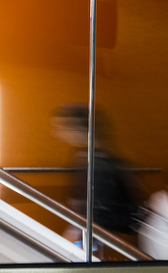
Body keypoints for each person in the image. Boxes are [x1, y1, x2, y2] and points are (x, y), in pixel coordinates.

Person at [50, 104, 144, 250]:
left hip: (104, 236)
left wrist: (70, 239)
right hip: (100, 234)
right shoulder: (84, 156)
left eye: (61, 126)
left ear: (78, 128)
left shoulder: (95, 161)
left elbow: (93, 210)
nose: (56, 132)